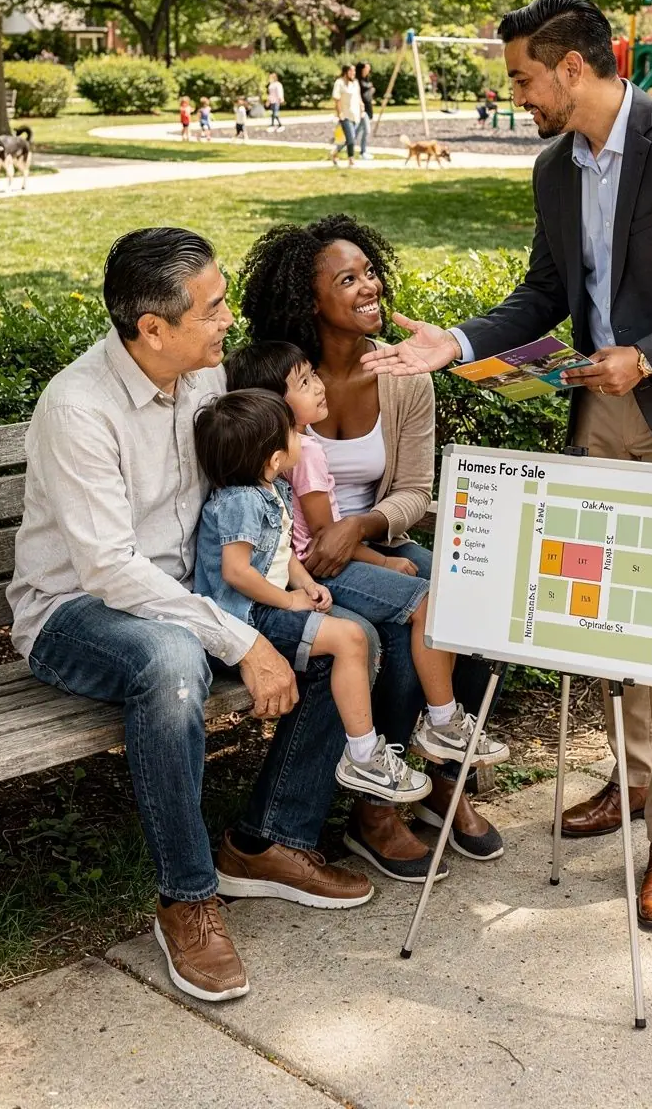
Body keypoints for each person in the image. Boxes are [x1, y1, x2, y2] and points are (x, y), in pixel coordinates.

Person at [362, 0, 652, 931]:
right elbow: (544, 293)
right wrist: (451, 344)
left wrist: (650, 356)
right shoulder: (554, 168)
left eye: (524, 78)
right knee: (604, 617)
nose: (520, 94)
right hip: (599, 415)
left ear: (573, 67)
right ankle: (635, 778)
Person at [8, 228, 375, 1009]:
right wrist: (239, 637)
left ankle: (271, 840)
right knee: (172, 665)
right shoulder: (79, 409)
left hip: (195, 595)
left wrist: (279, 592)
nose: (229, 319)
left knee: (359, 630)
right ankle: (188, 898)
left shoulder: (203, 383)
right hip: (76, 612)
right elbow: (110, 570)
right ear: (152, 328)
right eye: (212, 309)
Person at [239, 215, 506, 882]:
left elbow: (415, 490)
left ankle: (445, 777)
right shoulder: (275, 379)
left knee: (464, 594)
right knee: (415, 607)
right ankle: (375, 807)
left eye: (369, 271)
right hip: (298, 553)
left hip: (367, 536)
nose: (369, 287)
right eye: (348, 279)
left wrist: (360, 529)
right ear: (309, 300)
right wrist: (326, 545)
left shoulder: (404, 377)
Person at [224, 340, 505, 767]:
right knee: (429, 602)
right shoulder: (306, 454)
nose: (319, 386)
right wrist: (384, 561)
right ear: (275, 405)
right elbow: (323, 537)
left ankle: (437, 735)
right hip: (327, 566)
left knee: (454, 595)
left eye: (313, 375)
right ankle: (442, 722)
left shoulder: (285, 453)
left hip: (317, 563)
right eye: (304, 382)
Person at [193, 387, 431, 803]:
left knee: (352, 639)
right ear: (273, 459)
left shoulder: (272, 490)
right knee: (351, 638)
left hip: (267, 606)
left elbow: (281, 553)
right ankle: (362, 755)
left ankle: (363, 752)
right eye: (291, 432)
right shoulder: (240, 502)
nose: (300, 436)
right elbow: (235, 571)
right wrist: (288, 600)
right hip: (244, 619)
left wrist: (307, 584)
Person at [331, 64, 361, 167]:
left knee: (349, 139)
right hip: (345, 115)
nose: (354, 73)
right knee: (351, 138)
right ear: (346, 72)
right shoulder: (339, 83)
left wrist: (362, 108)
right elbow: (336, 99)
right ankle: (351, 159)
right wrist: (340, 113)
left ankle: (335, 152)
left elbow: (358, 97)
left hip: (355, 115)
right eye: (351, 71)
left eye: (354, 71)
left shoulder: (355, 83)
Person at [355, 61, 374, 160]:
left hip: (368, 107)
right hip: (362, 109)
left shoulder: (366, 79)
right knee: (366, 130)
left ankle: (341, 147)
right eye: (366, 68)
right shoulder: (357, 81)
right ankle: (363, 152)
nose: (368, 70)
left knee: (357, 131)